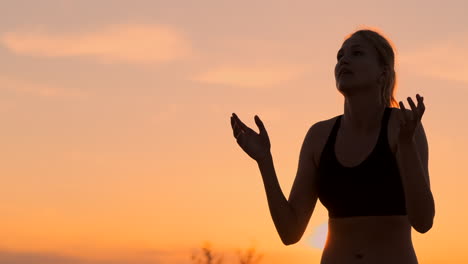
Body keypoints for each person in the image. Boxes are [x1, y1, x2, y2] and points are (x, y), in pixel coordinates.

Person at [229, 29, 435, 264]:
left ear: (383, 72)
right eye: (339, 56)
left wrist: (406, 144)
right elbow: (290, 232)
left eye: (356, 53)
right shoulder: (319, 135)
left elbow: (423, 221)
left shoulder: (404, 126)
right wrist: (264, 160)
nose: (343, 60)